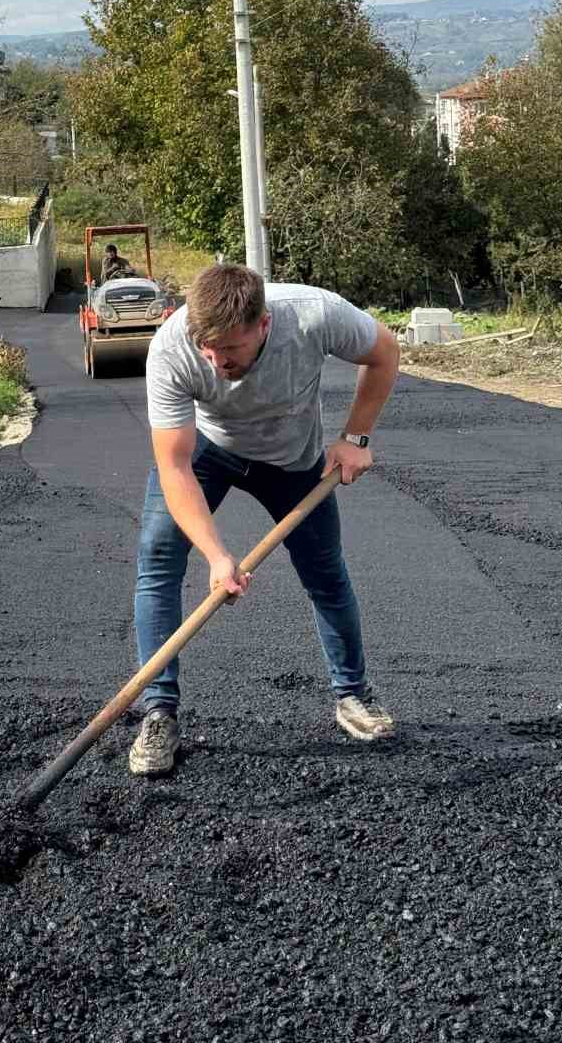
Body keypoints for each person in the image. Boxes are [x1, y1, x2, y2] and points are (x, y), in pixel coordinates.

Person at [129, 262, 400, 777]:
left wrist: (356, 437)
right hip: (208, 452)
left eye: (230, 348)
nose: (216, 361)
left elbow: (384, 351)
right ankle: (158, 713)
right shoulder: (172, 347)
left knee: (325, 573)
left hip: (293, 459)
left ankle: (353, 694)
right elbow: (174, 465)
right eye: (207, 348)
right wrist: (216, 556)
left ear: (264, 325)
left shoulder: (313, 315)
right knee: (159, 559)